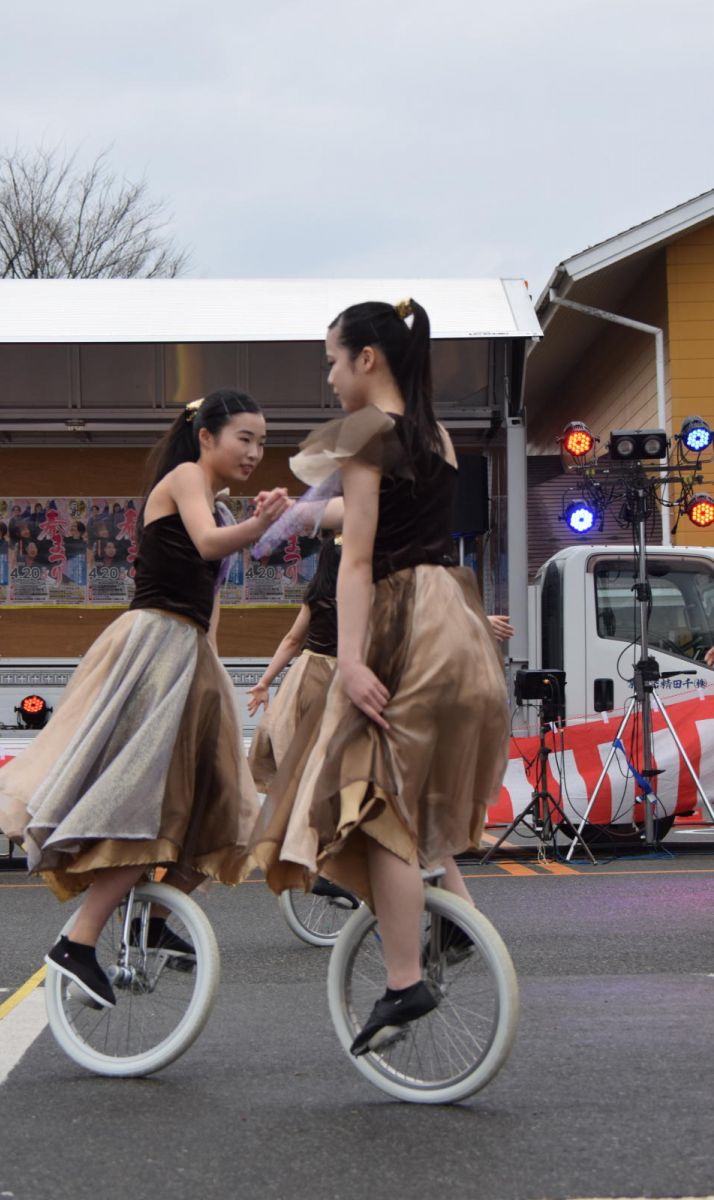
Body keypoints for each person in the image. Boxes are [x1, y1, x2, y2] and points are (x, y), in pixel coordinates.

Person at [251, 299, 509, 1056]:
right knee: (392, 796)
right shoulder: (438, 434)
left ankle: (405, 977)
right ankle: (440, 926)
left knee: (366, 797)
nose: (329, 375)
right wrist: (307, 517)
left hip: (403, 620)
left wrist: (353, 662)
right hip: (452, 620)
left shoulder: (364, 434)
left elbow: (360, 562)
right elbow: (386, 526)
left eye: (333, 358)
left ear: (368, 357)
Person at [0, 390, 289, 1009]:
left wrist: (211, 670)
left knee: (226, 807)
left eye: (262, 441)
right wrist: (261, 525)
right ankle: (78, 943)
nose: (256, 451)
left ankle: (150, 921)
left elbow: (211, 598)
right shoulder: (183, 478)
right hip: (155, 648)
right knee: (145, 807)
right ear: (206, 436)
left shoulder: (217, 502)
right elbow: (205, 545)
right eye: (245, 438)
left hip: (189, 655)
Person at [247, 533, 341, 789]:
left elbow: (292, 640)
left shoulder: (316, 594)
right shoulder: (371, 597)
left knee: (295, 749)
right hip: (347, 677)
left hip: (309, 677)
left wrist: (264, 682)